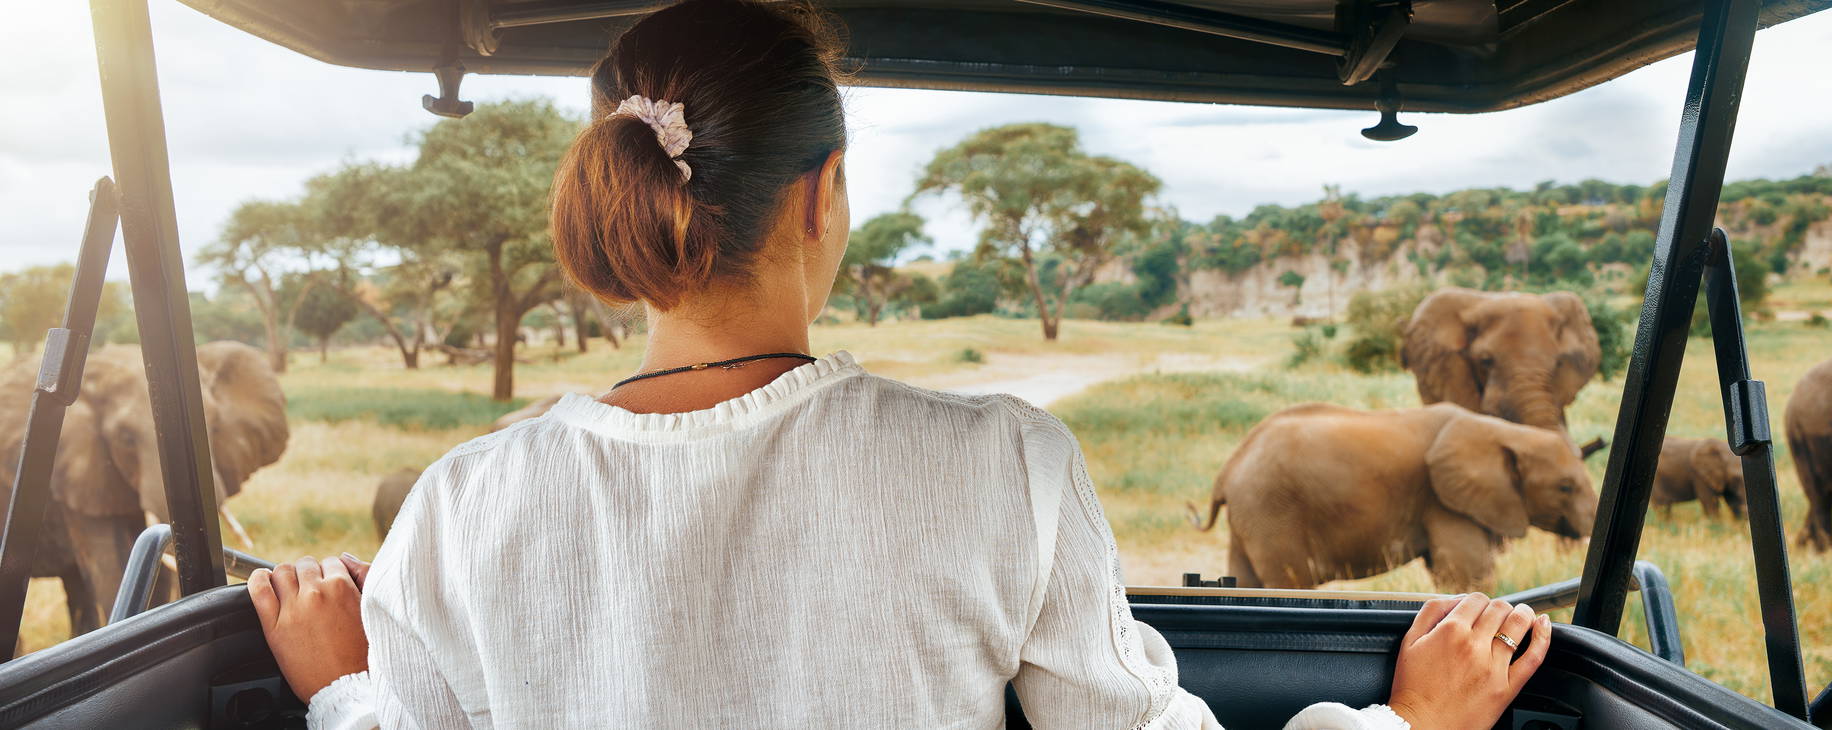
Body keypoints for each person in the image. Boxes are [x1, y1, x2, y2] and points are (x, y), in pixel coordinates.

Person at [246, 0, 1551, 727]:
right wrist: (1410, 726)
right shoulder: (999, 464)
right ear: (822, 198)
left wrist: (349, 684)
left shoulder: (462, 503)